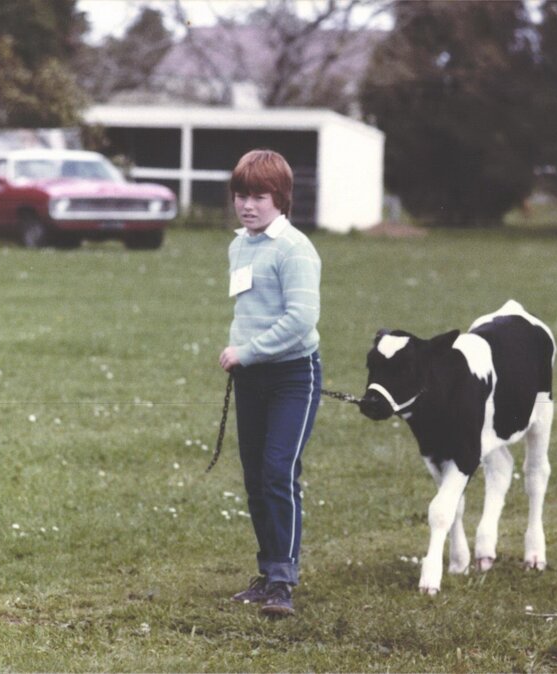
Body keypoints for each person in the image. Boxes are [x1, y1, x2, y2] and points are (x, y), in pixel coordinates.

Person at [219, 149, 322, 617]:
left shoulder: (294, 249)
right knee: (256, 478)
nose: (248, 205)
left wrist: (249, 351)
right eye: (241, 195)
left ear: (280, 198)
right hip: (250, 377)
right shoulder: (239, 245)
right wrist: (239, 350)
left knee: (279, 472)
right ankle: (266, 572)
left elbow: (301, 320)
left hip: (292, 376)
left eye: (259, 196)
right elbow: (248, 309)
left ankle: (283, 581)